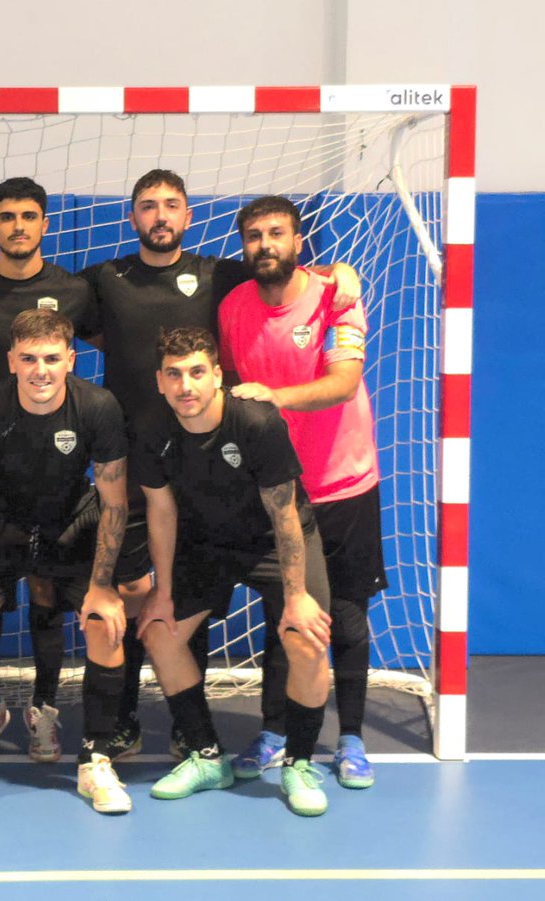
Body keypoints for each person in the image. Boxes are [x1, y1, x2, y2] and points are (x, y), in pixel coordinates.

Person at [0, 168, 361, 761]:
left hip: (217, 461)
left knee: (264, 612)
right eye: (147, 206)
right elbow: (28, 295)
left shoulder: (222, 273)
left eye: (171, 205)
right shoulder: (102, 282)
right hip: (142, 462)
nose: (159, 215)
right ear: (132, 217)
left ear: (188, 217)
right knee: (140, 593)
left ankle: (266, 742)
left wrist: (334, 272)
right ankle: (126, 721)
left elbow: (284, 270)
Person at [0, 309, 132, 818]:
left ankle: (95, 759)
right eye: (28, 359)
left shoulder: (98, 407)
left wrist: (104, 585)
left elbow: (113, 502)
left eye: (50, 358)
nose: (40, 370)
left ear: (70, 359)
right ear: (11, 361)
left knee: (105, 624)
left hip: (67, 523)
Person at [0, 177, 114, 763]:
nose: (19, 225)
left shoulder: (73, 288)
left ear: (45, 223)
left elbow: (122, 337)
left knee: (48, 597)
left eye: (30, 216)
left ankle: (44, 709)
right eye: (7, 216)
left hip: (60, 476)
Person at [218, 195, 387, 789]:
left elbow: (343, 383)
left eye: (277, 234)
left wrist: (275, 398)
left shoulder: (336, 294)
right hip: (278, 491)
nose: (265, 245)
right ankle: (275, 733)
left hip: (343, 484)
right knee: (283, 615)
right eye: (254, 236)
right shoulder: (235, 306)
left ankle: (351, 739)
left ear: (297, 241)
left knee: (345, 616)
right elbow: (232, 387)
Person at [133, 326, 333, 817]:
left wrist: (295, 596)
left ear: (218, 376)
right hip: (207, 544)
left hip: (274, 539)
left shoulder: (256, 422)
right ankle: (207, 758)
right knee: (160, 633)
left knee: (305, 637)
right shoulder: (151, 428)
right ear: (160, 381)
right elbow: (161, 512)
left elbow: (284, 513)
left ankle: (299, 764)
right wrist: (161, 591)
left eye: (198, 372)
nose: (187, 386)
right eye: (175, 375)